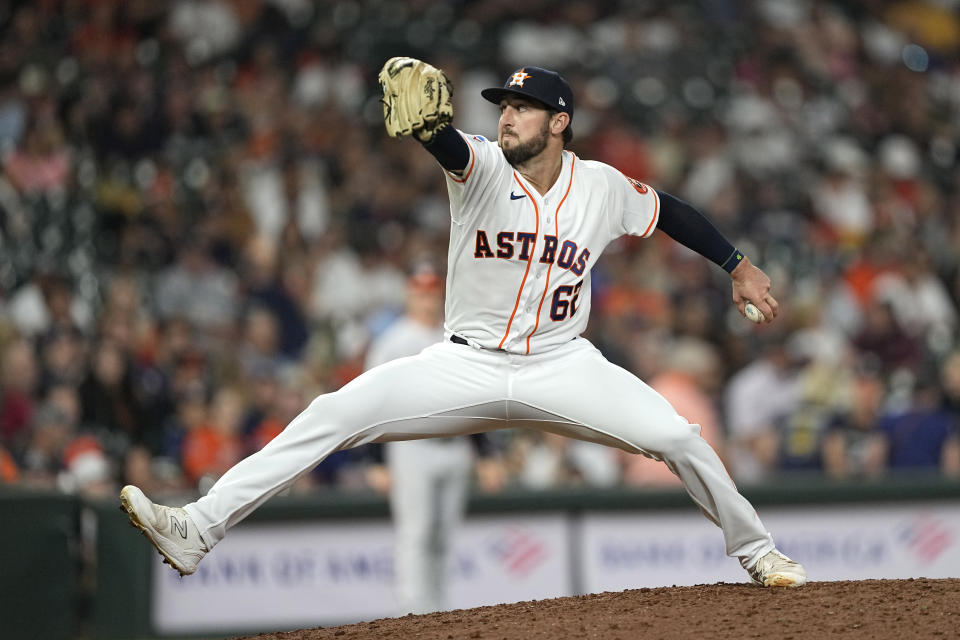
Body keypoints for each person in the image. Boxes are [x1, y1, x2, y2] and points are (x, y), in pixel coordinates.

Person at [120, 60, 806, 588]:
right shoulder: (479, 167)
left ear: (559, 121)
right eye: (503, 106)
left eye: (522, 108)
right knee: (331, 412)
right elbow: (448, 145)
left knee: (678, 438)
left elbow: (672, 210)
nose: (507, 117)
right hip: (462, 363)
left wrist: (737, 264)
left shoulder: (598, 187)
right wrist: (428, 129)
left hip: (562, 365)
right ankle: (196, 529)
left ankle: (759, 553)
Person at [364, 266, 475, 614]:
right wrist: (375, 461)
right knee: (417, 532)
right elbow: (369, 402)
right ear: (410, 295)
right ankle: (413, 614)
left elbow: (476, 394)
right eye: (421, 293)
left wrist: (484, 451)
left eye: (432, 293)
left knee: (444, 535)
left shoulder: (456, 335)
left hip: (456, 445)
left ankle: (440, 611)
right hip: (411, 448)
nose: (428, 299)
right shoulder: (392, 342)